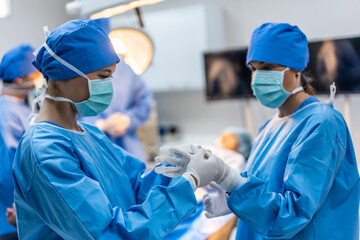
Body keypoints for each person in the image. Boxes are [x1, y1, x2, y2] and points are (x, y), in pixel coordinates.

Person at [155, 23, 359, 240]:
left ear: (297, 69)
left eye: (269, 68)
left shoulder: (322, 123)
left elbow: (291, 213)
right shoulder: (270, 127)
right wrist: (230, 198)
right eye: (253, 69)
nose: (258, 76)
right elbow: (263, 187)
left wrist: (227, 176)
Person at [12, 19, 200, 239]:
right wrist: (189, 184)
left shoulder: (91, 135)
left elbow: (136, 188)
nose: (109, 85)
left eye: (111, 76)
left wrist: (177, 170)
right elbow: (106, 232)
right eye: (103, 76)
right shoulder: (44, 151)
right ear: (65, 73)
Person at [79, 18, 153, 162]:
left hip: (129, 149)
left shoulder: (124, 69)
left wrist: (128, 119)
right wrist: (96, 125)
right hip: (93, 150)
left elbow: (145, 103)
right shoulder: (75, 71)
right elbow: (65, 113)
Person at [0, 44, 39, 240]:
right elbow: (8, 171)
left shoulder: (19, 108)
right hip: (10, 217)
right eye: (34, 75)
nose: (39, 80)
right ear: (19, 79)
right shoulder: (6, 115)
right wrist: (27, 207)